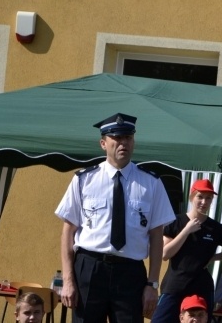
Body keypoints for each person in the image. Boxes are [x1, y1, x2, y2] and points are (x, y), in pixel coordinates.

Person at [55, 113, 176, 323]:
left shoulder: (151, 183)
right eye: (117, 138)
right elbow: (68, 231)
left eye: (128, 138)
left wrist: (152, 284)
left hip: (130, 272)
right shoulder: (84, 180)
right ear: (103, 143)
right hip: (90, 268)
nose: (123, 143)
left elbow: (157, 237)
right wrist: (68, 280)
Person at [153, 179, 222, 323]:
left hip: (202, 285)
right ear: (192, 197)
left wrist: (213, 257)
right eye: (200, 197)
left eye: (208, 198)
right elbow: (165, 254)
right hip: (175, 284)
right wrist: (187, 230)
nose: (204, 202)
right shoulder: (175, 222)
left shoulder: (215, 228)